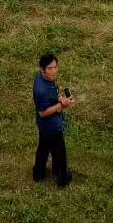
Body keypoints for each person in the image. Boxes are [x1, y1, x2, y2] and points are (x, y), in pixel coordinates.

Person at [33, 52, 74, 187]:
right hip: (51, 126)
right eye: (50, 68)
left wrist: (60, 98)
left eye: (55, 67)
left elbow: (53, 94)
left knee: (43, 149)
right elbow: (43, 113)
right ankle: (62, 180)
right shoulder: (42, 90)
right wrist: (61, 105)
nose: (54, 71)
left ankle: (38, 174)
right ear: (43, 70)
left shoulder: (43, 79)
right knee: (60, 153)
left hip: (44, 127)